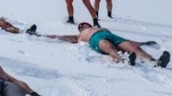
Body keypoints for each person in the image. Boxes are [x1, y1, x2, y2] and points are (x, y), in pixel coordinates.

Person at [33, 22, 170, 67]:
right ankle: (123, 60)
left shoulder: (99, 27)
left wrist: (142, 43)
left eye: (84, 24)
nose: (82, 25)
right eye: (80, 26)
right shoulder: (79, 35)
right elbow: (60, 37)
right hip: (95, 39)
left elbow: (127, 40)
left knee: (134, 47)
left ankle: (154, 61)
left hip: (111, 35)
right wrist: (41, 35)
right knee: (108, 47)